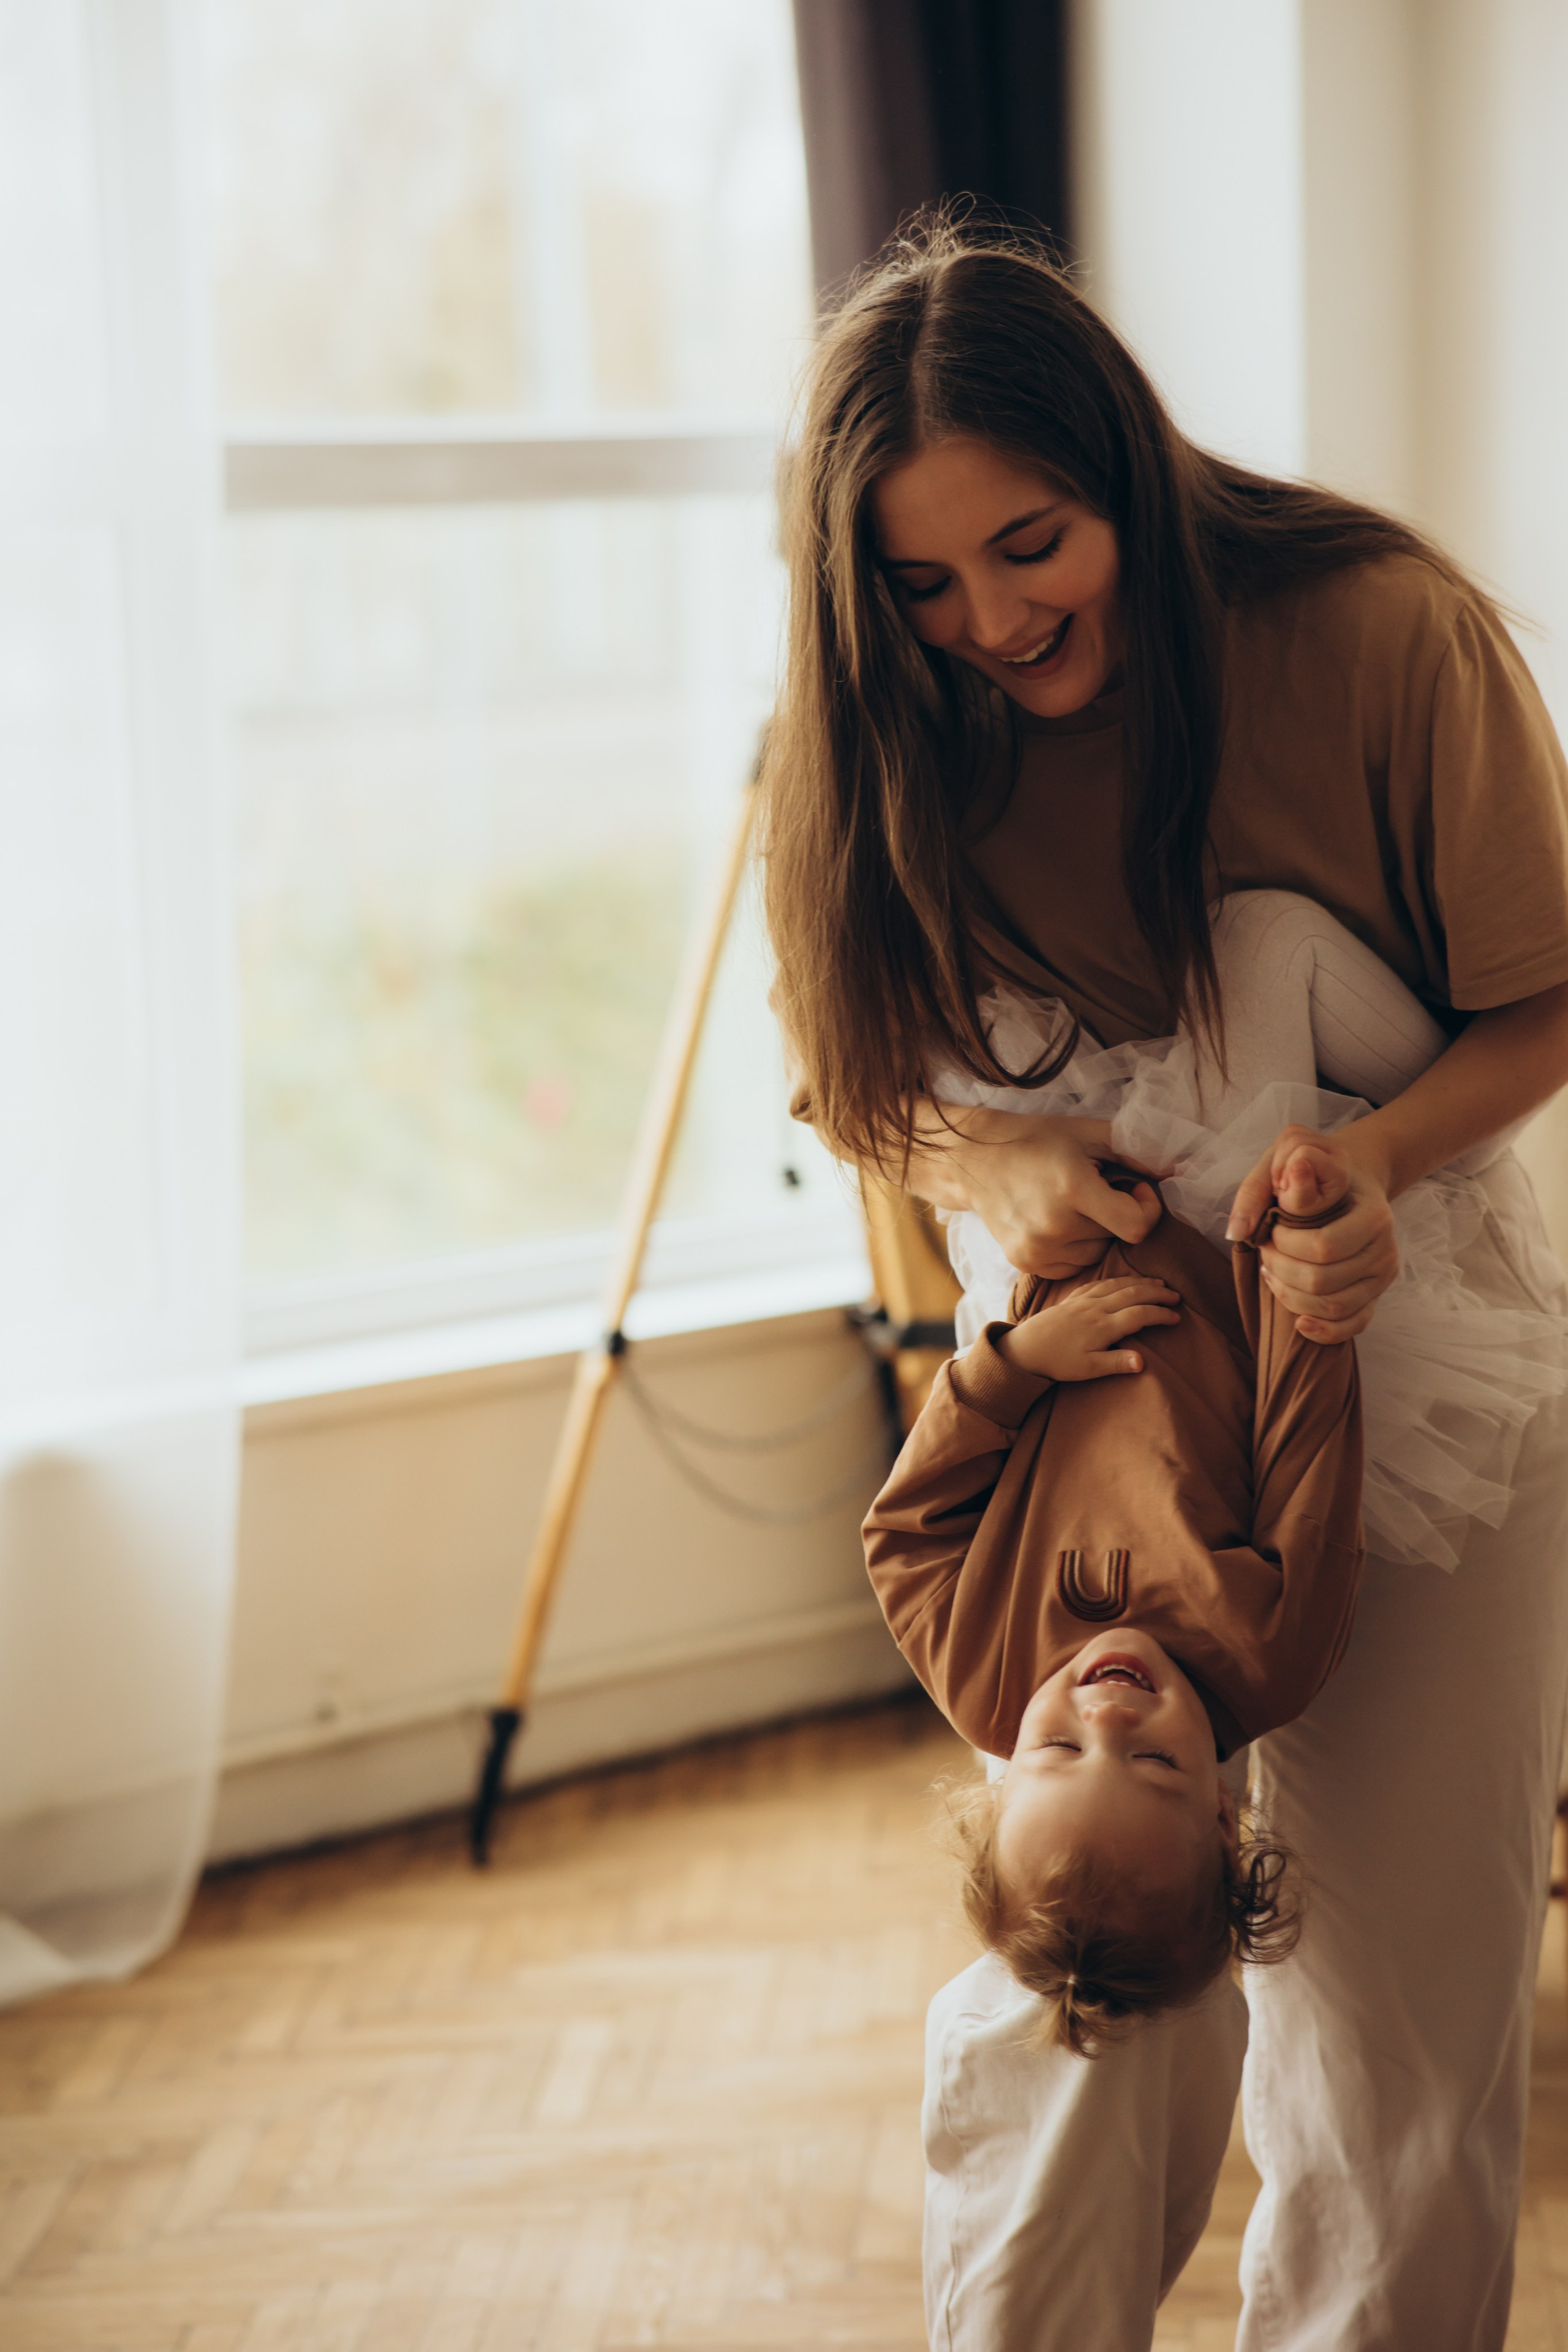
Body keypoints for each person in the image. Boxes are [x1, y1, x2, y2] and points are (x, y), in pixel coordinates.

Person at [761, 214, 1568, 2350]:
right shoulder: (876, 722)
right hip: (1083, 1324)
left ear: (1123, 468)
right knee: (1086, 1996)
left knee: (1404, 2014)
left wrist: (1373, 1171)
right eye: (921, 587)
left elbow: (1544, 999)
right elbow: (854, 1084)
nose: (991, 623)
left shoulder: (1379, 632)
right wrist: (991, 1156)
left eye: (1031, 546)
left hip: (1387, 1300)